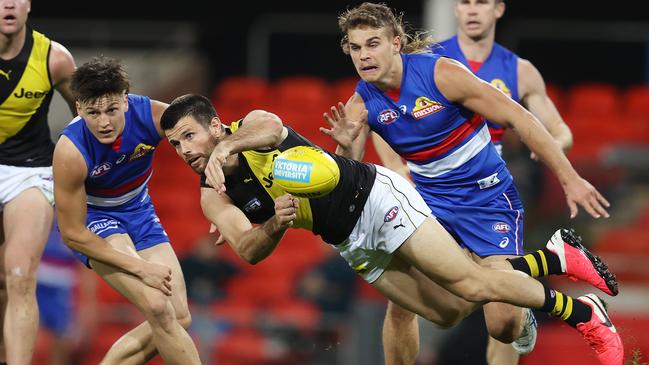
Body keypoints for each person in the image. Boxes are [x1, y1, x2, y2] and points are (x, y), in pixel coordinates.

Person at [159, 93, 623, 365]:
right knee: (449, 310)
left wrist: (225, 151)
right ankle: (554, 257)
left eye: (190, 136)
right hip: (348, 239)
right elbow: (248, 249)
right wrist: (276, 225)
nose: (182, 149)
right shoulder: (210, 195)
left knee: (470, 280)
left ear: (217, 126)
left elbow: (273, 128)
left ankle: (582, 313)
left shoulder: (251, 125)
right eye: (174, 143)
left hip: (376, 199)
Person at [323, 3, 620, 364]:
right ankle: (549, 263)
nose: (364, 56)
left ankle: (545, 272)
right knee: (403, 302)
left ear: (396, 43)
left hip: (488, 199)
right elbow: (347, 177)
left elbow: (519, 118)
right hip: (428, 205)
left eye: (373, 44)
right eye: (355, 48)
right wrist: (343, 144)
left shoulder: (441, 74)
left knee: (503, 326)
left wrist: (570, 178)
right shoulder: (360, 104)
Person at [366, 1, 574, 363]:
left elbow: (558, 130)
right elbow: (383, 112)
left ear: (499, 9)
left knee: (501, 312)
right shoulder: (425, 58)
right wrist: (396, 169)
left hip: (489, 189)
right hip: (431, 189)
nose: (472, 10)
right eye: (464, 2)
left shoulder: (519, 71)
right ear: (456, 10)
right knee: (402, 298)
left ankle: (518, 307)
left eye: (482, 2)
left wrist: (551, 148)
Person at [52, 56, 201, 365]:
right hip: (95, 220)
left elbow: (205, 139)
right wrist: (140, 267)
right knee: (158, 308)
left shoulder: (155, 115)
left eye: (111, 110)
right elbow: (72, 234)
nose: (104, 122)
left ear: (126, 100)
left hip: (138, 210)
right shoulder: (70, 151)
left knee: (179, 316)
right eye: (92, 113)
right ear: (78, 108)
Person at [0, 0, 76, 363]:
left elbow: (86, 118)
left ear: (28, 5)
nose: (8, 4)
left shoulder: (55, 59)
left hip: (27, 173)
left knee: (18, 276)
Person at [35, 214, 98, 365]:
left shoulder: (75, 229)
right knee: (33, 342)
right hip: (36, 289)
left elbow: (87, 273)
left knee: (60, 346)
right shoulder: (38, 221)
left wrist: (88, 306)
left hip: (62, 294)